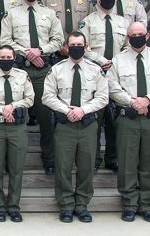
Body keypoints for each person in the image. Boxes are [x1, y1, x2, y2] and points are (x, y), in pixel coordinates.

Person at [108, 22, 150, 222]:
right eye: (132, 35)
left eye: (140, 34)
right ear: (127, 37)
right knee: (127, 161)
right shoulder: (118, 60)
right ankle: (129, 204)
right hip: (128, 118)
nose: (137, 37)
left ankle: (146, 204)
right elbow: (113, 87)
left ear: (148, 35)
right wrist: (134, 103)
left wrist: (148, 100)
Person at [0, 0, 64, 174]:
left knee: (46, 117)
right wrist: (28, 51)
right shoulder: (10, 15)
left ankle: (49, 159)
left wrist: (40, 49)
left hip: (43, 70)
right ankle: (10, 160)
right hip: (18, 70)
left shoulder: (49, 14)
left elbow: (58, 40)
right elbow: (5, 40)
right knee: (15, 116)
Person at [42, 31, 108, 223]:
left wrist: (83, 110)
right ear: (66, 47)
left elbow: (103, 97)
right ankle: (66, 206)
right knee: (63, 167)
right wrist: (66, 110)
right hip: (65, 126)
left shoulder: (96, 71)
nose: (76, 48)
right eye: (72, 45)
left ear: (86, 47)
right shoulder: (57, 70)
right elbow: (47, 96)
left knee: (86, 167)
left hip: (87, 125)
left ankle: (82, 205)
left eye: (80, 45)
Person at [79, 0, 129, 173]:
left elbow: (127, 47)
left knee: (114, 121)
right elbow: (83, 47)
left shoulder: (123, 23)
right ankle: (94, 159)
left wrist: (115, 62)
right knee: (94, 121)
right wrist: (101, 61)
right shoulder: (88, 21)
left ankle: (112, 158)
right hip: (95, 75)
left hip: (117, 76)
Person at [0, 45, 34, 222]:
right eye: (2, 57)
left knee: (16, 168)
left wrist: (13, 107)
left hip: (17, 128)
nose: (5, 59)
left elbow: (30, 99)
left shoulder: (22, 76)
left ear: (14, 58)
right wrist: (2, 109)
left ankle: (13, 206)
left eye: (8, 56)